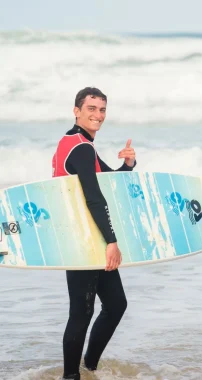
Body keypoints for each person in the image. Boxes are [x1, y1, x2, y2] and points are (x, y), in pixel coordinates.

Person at [52, 87, 136, 380]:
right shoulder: (81, 148)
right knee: (82, 312)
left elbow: (108, 184)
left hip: (90, 238)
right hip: (83, 240)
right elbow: (94, 198)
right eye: (91, 108)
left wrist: (128, 165)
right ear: (76, 110)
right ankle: (70, 376)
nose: (98, 115)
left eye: (102, 109)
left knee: (115, 304)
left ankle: (88, 367)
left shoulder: (77, 144)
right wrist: (112, 242)